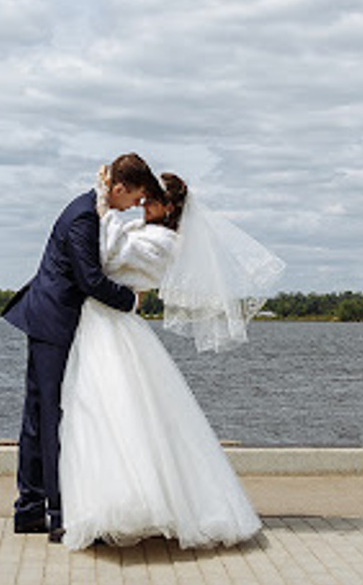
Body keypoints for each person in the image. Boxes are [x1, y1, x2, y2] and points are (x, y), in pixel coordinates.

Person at [57, 169, 285, 550]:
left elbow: (110, 252)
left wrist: (103, 204)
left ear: (170, 207)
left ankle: (128, 505)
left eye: (152, 198)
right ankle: (101, 505)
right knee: (97, 412)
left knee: (117, 411)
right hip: (101, 323)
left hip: (115, 327)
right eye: (144, 196)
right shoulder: (147, 230)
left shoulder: (165, 241)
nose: (144, 203)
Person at [2, 152, 158, 542]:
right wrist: (131, 301)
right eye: (135, 197)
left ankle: (29, 509)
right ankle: (60, 516)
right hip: (54, 322)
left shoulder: (90, 209)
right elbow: (89, 279)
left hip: (46, 318)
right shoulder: (84, 217)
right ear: (118, 187)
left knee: (38, 416)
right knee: (54, 418)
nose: (135, 205)